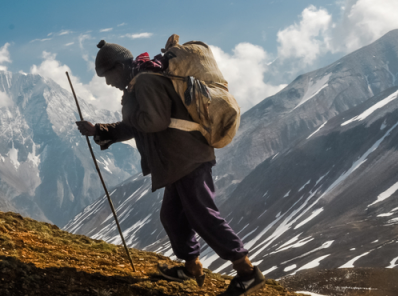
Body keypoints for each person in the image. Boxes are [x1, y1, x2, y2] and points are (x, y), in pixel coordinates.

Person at [75, 40, 265, 296]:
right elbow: (140, 124)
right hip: (178, 160)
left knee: (202, 213)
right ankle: (192, 268)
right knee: (173, 216)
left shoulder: (144, 82)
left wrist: (126, 119)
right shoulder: (140, 83)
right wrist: (100, 129)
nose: (108, 83)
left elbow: (154, 122)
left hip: (187, 157)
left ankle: (247, 272)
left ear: (119, 67)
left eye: (108, 76)